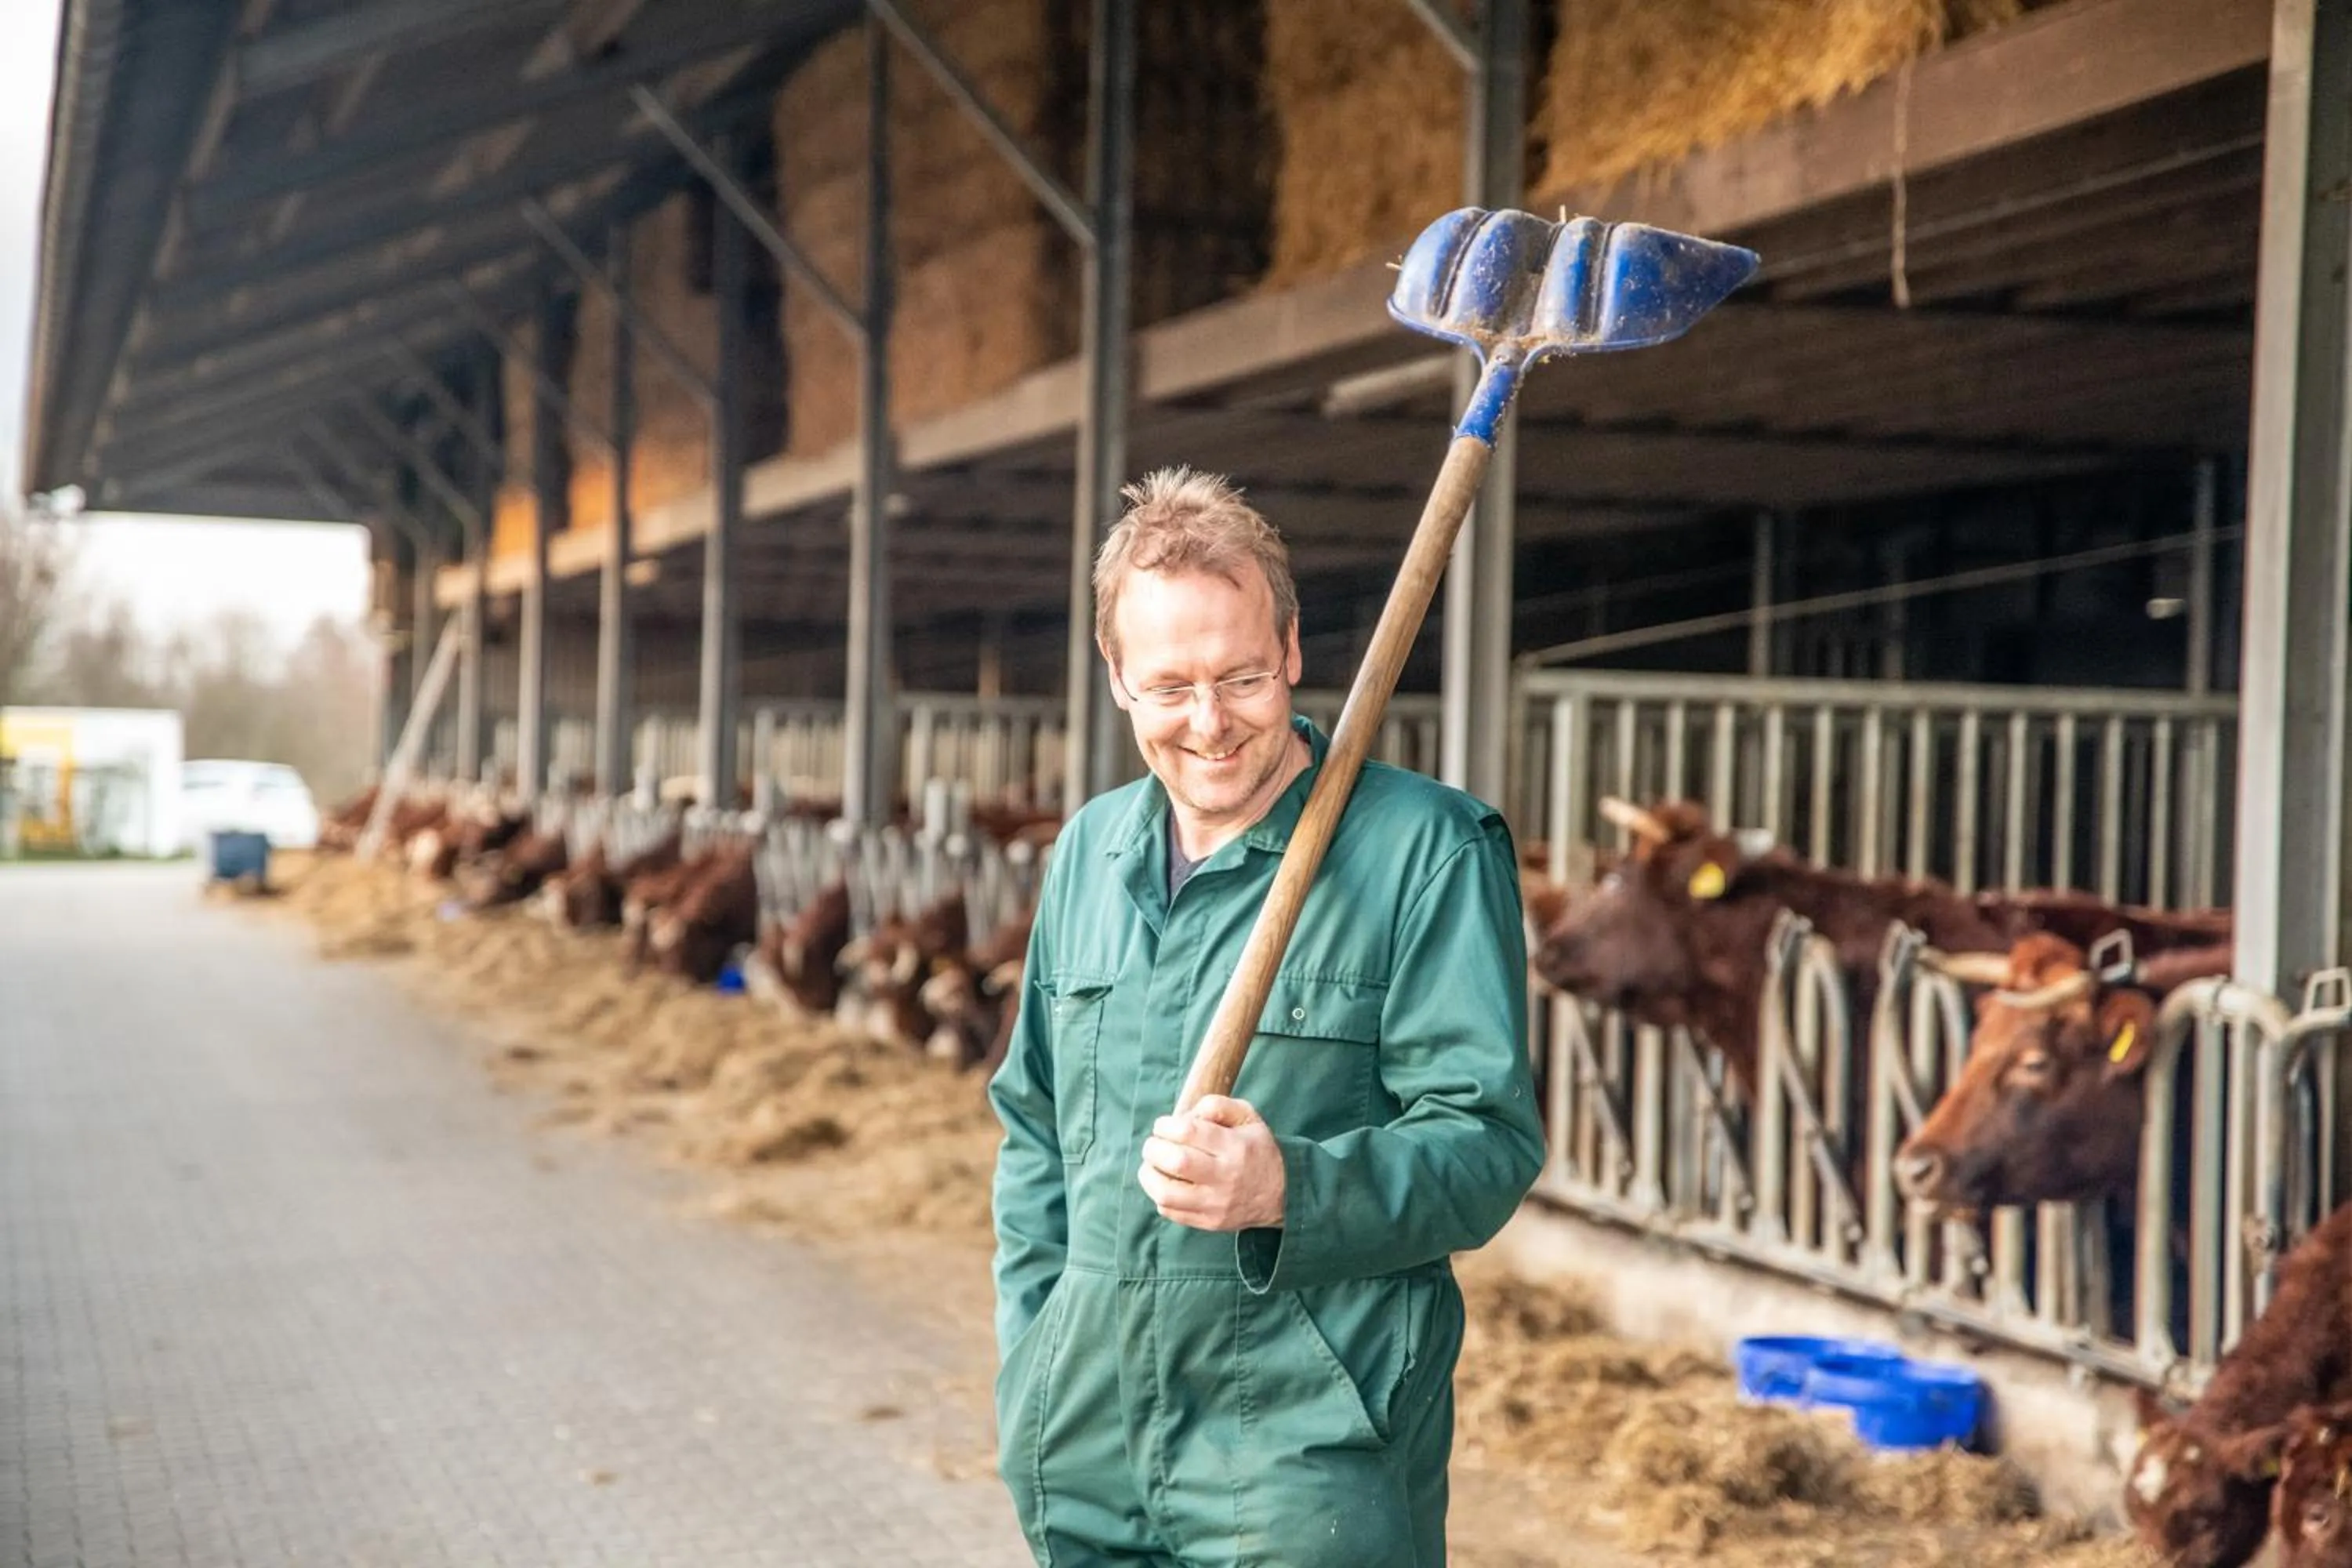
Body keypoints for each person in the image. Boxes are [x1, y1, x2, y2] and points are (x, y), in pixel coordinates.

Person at [988, 466, 1544, 1566]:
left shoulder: (1423, 851)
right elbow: (1034, 1132)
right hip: (1086, 1447)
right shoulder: (1088, 855)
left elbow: (1487, 1146)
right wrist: (1035, 1359)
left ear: (1291, 651)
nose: (1209, 725)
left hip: (1306, 1455)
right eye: (1170, 687)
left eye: (1244, 677)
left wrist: (1292, 1187)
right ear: (1116, 679)